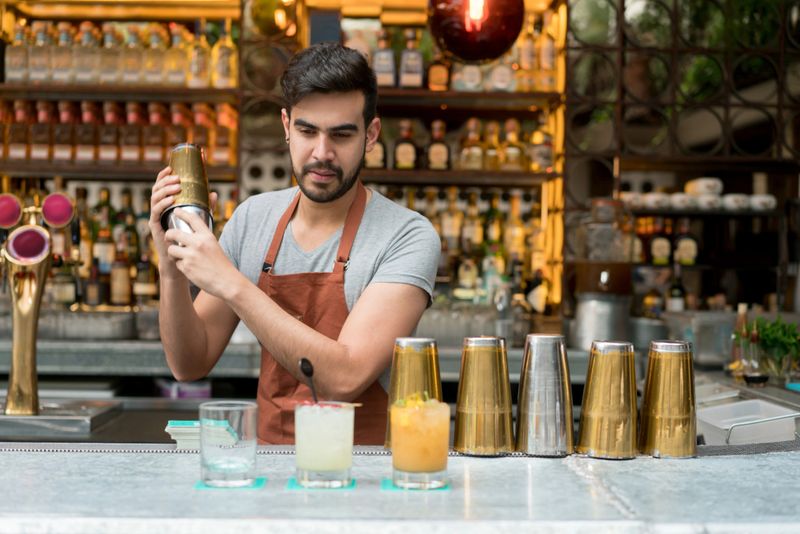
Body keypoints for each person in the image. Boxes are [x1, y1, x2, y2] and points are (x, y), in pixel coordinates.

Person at [149, 42, 440, 445]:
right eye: (307, 131)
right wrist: (169, 269)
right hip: (270, 475)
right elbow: (189, 362)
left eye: (341, 134)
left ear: (370, 135)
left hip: (366, 479)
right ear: (286, 125)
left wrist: (231, 283)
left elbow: (345, 377)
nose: (322, 153)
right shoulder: (254, 220)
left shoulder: (406, 235)